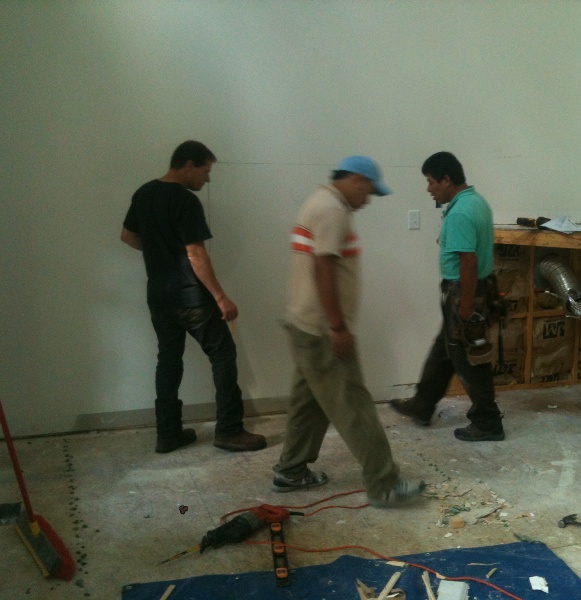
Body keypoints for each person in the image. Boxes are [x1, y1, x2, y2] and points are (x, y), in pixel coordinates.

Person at [274, 155, 424, 507]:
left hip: (304, 325)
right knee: (354, 406)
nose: (368, 200)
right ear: (357, 179)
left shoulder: (319, 201)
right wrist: (338, 327)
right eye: (369, 191)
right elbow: (323, 268)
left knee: (309, 404)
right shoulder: (332, 210)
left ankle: (291, 471)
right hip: (323, 330)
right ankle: (384, 484)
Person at [121, 140, 266, 454]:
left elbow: (128, 235)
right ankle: (229, 430)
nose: (207, 179)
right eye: (205, 171)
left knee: (168, 360)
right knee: (223, 354)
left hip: (159, 295)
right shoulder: (185, 201)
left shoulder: (144, 193)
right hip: (191, 297)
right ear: (188, 165)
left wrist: (159, 253)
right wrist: (220, 297)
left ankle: (168, 434)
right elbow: (196, 254)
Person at [390, 151, 505, 441]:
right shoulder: (476, 201)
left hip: (464, 293)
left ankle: (487, 422)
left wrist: (465, 307)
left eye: (431, 182)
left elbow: (468, 262)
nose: (429, 189)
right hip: (473, 290)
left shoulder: (461, 213)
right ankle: (422, 404)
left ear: (446, 179)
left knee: (468, 358)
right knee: (444, 350)